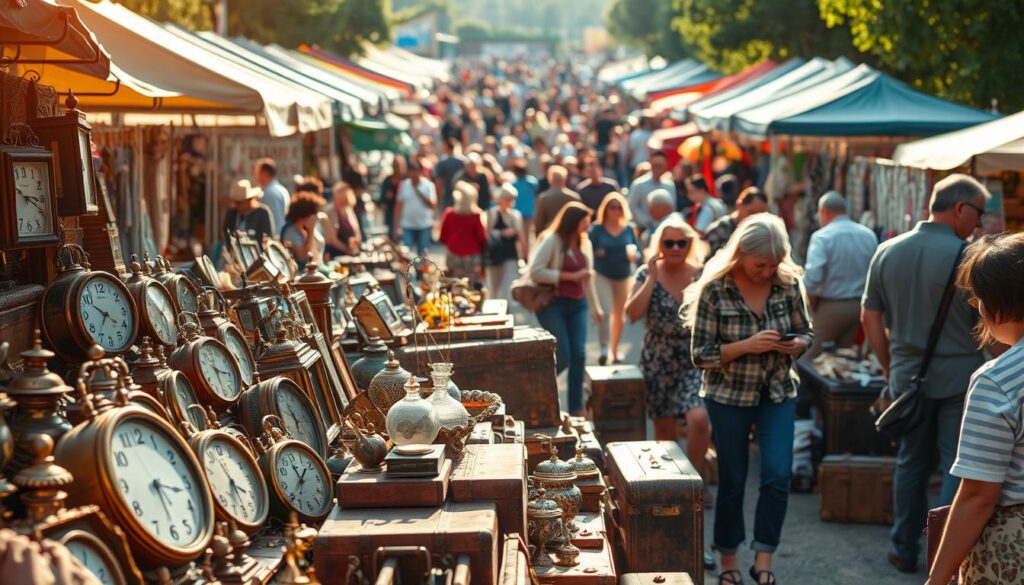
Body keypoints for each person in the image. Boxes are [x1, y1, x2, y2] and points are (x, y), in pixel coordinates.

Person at [861, 174, 990, 574]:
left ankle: (903, 547)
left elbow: (869, 317)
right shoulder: (970, 257)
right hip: (960, 375)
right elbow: (987, 320)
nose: (979, 224)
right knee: (956, 464)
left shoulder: (887, 250)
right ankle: (943, 553)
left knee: (911, 462)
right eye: (978, 214)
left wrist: (889, 363)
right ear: (960, 209)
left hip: (905, 373)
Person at [685, 213, 814, 585]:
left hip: (776, 391)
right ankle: (727, 557)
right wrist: (746, 346)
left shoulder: (788, 284)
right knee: (733, 478)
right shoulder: (716, 289)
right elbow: (701, 354)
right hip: (727, 395)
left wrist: (798, 344)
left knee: (776, 474)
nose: (767, 271)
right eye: (760, 264)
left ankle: (764, 558)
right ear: (740, 254)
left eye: (774, 264)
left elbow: (808, 331)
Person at [928, 232, 1024, 585]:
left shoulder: (998, 379)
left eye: (978, 299)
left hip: (1012, 549)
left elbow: (978, 496)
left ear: (998, 303)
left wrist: (936, 578)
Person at [626, 215, 710, 458]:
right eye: (668, 243)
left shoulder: (701, 274)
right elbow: (632, 314)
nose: (675, 248)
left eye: (681, 243)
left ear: (690, 244)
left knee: (699, 418)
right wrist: (652, 279)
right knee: (664, 429)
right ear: (659, 245)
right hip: (657, 359)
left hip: (693, 359)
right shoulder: (646, 274)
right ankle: (676, 489)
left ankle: (698, 484)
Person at [528, 202, 602, 416]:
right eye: (585, 220)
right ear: (573, 221)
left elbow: (588, 278)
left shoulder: (584, 243)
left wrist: (596, 308)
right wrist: (569, 276)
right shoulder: (552, 240)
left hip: (578, 304)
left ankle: (576, 408)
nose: (588, 225)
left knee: (579, 354)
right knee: (564, 355)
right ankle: (537, 388)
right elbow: (536, 272)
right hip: (554, 305)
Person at [801, 191, 878, 360]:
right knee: (844, 360)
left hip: (831, 307)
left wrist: (810, 307)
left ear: (824, 212)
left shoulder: (822, 237)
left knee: (808, 357)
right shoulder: (868, 235)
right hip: (860, 308)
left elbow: (813, 279)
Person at [589, 193, 640, 365]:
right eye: (612, 207)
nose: (616, 210)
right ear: (605, 209)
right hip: (602, 273)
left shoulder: (629, 229)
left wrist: (634, 256)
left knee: (620, 315)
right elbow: (587, 251)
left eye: (619, 207)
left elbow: (637, 251)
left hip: (623, 274)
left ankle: (615, 349)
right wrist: (597, 254)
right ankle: (604, 349)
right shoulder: (597, 229)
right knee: (605, 311)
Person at [439, 181, 488, 284]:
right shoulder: (477, 215)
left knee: (454, 284)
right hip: (472, 256)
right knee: (472, 286)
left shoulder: (449, 213)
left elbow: (443, 237)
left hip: (453, 254)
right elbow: (482, 238)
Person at [703, 187, 770, 259]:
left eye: (761, 215)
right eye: (752, 213)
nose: (756, 218)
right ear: (739, 205)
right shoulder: (720, 230)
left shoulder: (762, 232)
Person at [486, 183, 526, 301]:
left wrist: (524, 255)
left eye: (512, 199)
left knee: (508, 284)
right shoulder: (492, 214)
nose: (510, 201)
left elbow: (522, 236)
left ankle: (506, 307)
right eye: (507, 198)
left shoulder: (516, 215)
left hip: (510, 253)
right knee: (494, 285)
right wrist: (501, 233)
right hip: (495, 254)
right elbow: (486, 233)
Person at [393, 160, 437, 256]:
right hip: (407, 225)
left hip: (424, 225)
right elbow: (398, 205)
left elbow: (432, 205)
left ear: (420, 171)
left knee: (423, 253)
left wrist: (419, 192)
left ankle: (420, 271)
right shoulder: (404, 185)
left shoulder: (428, 185)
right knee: (406, 253)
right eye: (411, 171)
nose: (414, 173)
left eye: (416, 171)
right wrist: (396, 226)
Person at [627, 151, 677, 231]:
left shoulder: (670, 186)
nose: (657, 169)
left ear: (665, 166)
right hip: (642, 229)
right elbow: (632, 206)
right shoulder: (639, 184)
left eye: (660, 166)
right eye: (655, 166)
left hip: (664, 229)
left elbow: (672, 208)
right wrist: (647, 222)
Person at [280, 191, 326, 267]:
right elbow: (302, 257)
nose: (317, 215)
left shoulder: (313, 226)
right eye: (315, 213)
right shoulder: (291, 231)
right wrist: (310, 232)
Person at [532, 165, 581, 236]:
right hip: (569, 237)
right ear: (565, 178)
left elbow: (539, 223)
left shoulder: (544, 198)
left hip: (549, 236)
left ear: (550, 179)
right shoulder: (574, 197)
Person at [222, 179, 273, 244]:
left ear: (248, 201)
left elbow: (266, 238)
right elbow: (226, 235)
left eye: (238, 202)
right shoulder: (231, 214)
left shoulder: (262, 214)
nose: (235, 205)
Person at [323, 181, 362, 258]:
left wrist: (355, 243)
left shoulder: (348, 210)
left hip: (350, 251)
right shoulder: (329, 211)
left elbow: (357, 231)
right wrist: (347, 250)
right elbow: (332, 239)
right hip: (335, 252)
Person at [254, 157, 289, 238]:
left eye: (257, 172)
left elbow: (274, 219)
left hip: (273, 239)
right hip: (281, 236)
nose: (255, 176)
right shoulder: (282, 189)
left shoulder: (268, 193)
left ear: (264, 173)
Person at [510, 159, 539, 255]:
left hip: (520, 214)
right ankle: (525, 255)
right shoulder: (532, 182)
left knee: (520, 237)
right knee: (526, 236)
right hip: (527, 213)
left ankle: (524, 255)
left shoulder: (513, 184)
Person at [434, 137, 467, 210]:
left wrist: (438, 202)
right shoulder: (465, 162)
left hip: (447, 200)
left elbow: (439, 185)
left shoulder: (442, 163)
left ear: (446, 148)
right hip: (463, 199)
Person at [380, 157, 405, 239]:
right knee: (391, 236)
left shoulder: (405, 180)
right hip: (390, 212)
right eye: (395, 166)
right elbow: (382, 199)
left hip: (404, 212)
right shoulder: (387, 180)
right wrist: (386, 197)